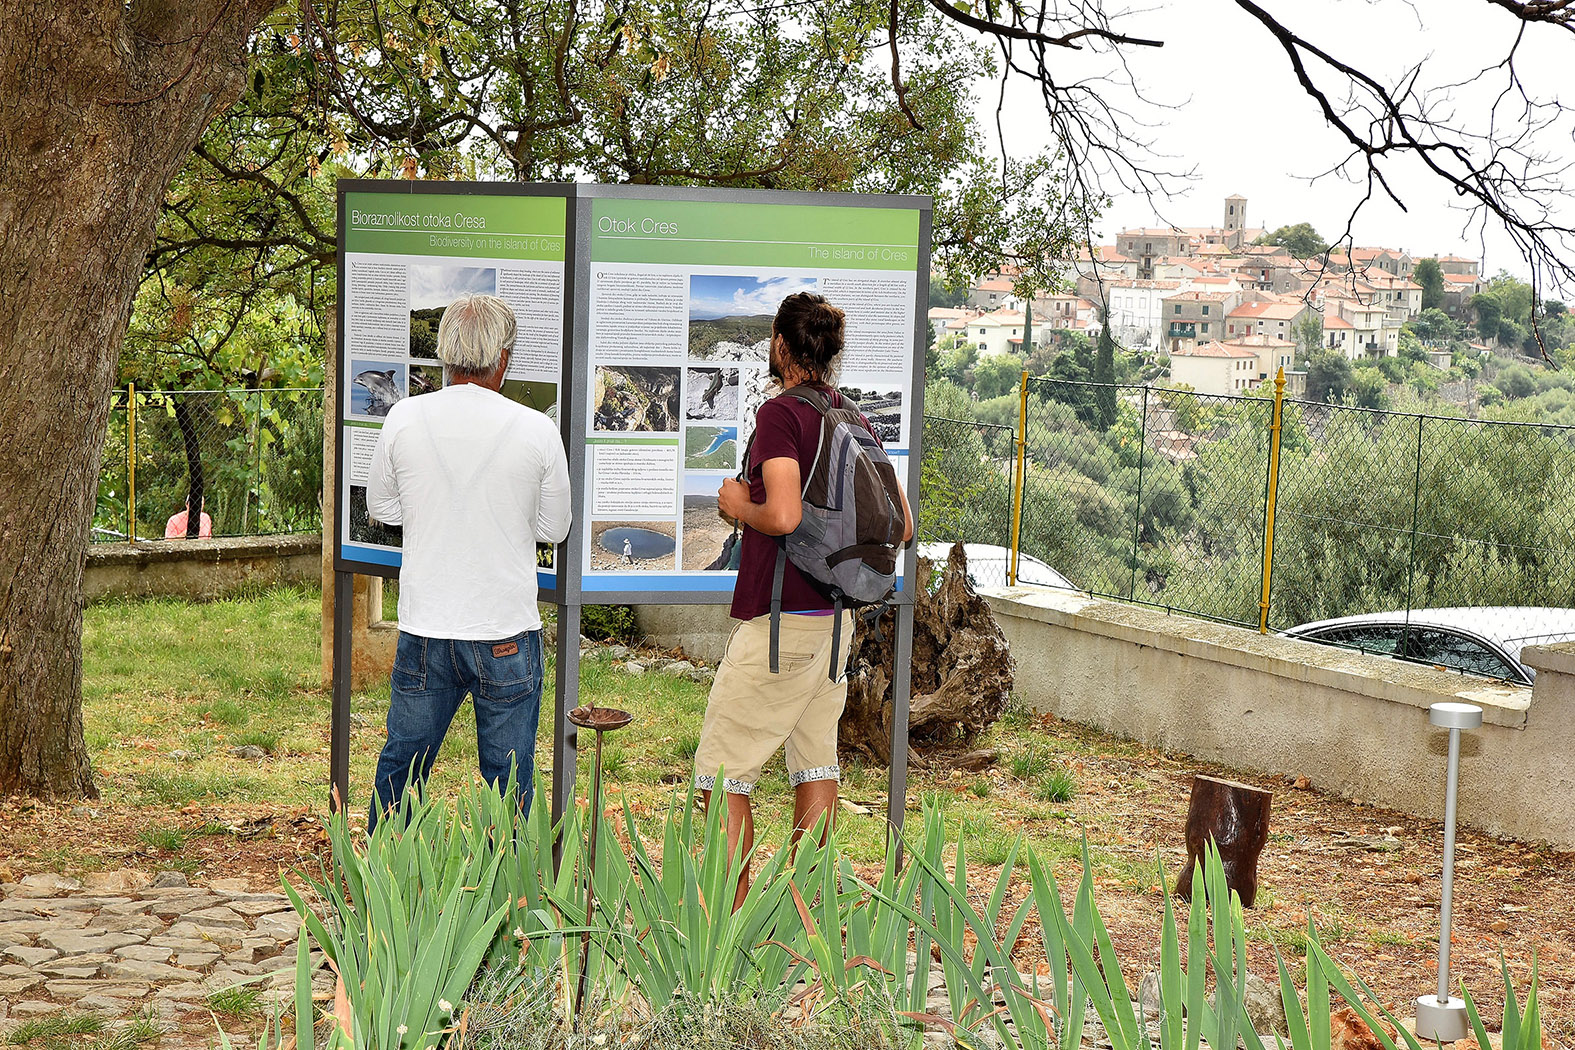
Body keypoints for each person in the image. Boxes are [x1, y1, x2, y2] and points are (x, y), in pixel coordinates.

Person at [693, 292, 913, 908]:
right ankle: (805, 919)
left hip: (781, 624)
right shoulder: (854, 417)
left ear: (782, 347)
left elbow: (783, 513)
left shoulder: (781, 415)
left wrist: (738, 505)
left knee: (722, 774)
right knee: (815, 767)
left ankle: (720, 927)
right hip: (837, 626)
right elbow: (903, 525)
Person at [364, 293, 571, 829]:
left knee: (401, 771)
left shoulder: (404, 418)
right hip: (505, 630)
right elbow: (555, 528)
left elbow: (382, 507)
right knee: (510, 787)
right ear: (503, 358)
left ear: (444, 355)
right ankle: (512, 898)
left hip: (426, 627)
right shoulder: (538, 430)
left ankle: (382, 887)